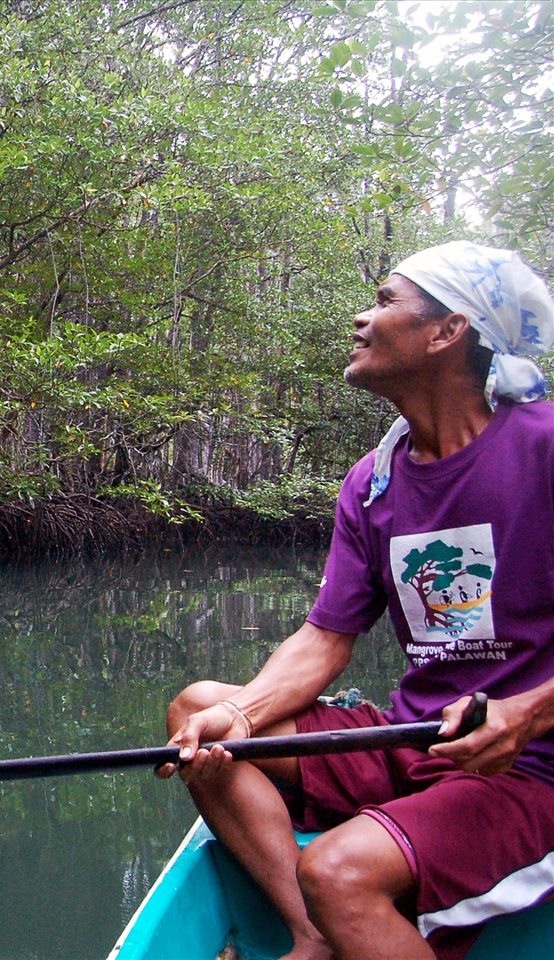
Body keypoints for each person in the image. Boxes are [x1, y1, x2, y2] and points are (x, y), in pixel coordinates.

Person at [157, 241, 554, 960]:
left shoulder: (543, 447)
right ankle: (313, 936)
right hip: (414, 739)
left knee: (338, 871)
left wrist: (526, 712)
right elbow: (324, 638)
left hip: (530, 768)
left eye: (383, 302)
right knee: (199, 711)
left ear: (447, 330)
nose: (360, 319)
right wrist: (240, 718)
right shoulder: (372, 481)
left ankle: (343, 905)